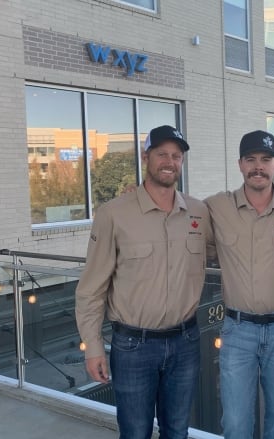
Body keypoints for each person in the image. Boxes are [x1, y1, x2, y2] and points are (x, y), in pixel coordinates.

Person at [75, 125, 213, 439]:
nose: (170, 161)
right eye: (162, 154)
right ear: (145, 157)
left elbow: (235, 239)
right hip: (133, 347)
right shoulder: (114, 214)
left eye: (176, 156)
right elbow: (91, 288)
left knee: (177, 431)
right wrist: (92, 347)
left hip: (186, 341)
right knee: (135, 432)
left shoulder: (198, 212)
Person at [205, 130, 274, 439]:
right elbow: (175, 212)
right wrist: (137, 192)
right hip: (238, 331)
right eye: (250, 159)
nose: (258, 167)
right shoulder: (216, 207)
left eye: (265, 160)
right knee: (235, 423)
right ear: (240, 164)